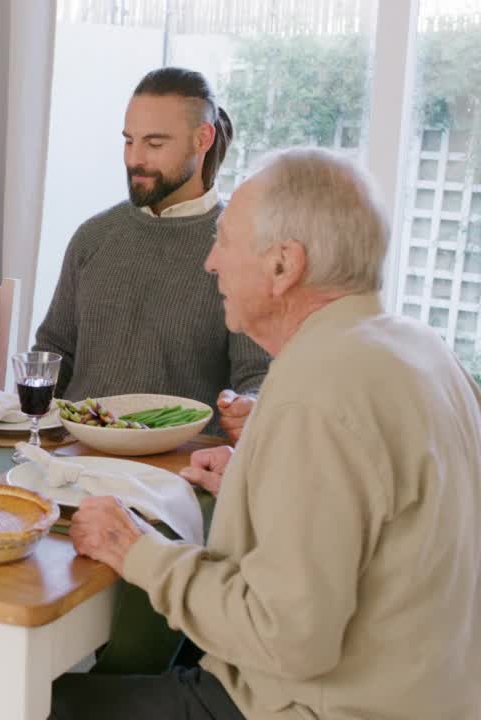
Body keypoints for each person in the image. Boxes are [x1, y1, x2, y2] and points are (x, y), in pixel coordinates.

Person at [55, 149, 481, 719]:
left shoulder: (317, 388)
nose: (210, 263)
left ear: (283, 265)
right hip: (428, 694)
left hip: (317, 706)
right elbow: (381, 518)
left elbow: (285, 638)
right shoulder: (419, 349)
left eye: (224, 241)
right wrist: (258, 482)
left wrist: (135, 550)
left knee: (32, 701)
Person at [32, 67, 269, 441]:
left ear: (202, 138)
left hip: (179, 472)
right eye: (129, 141)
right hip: (76, 459)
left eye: (155, 144)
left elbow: (257, 378)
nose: (135, 159)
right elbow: (52, 351)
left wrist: (251, 405)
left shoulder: (240, 249)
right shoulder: (93, 237)